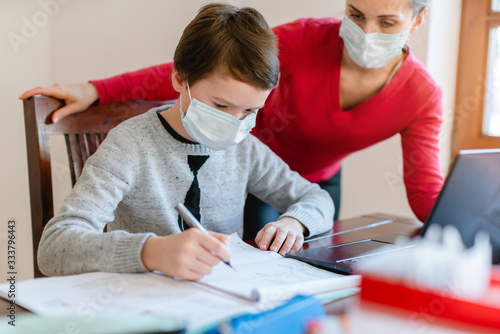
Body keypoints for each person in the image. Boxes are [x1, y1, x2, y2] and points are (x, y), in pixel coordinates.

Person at [21, 0, 443, 237]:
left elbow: (421, 188)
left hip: (282, 172)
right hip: (248, 166)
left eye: (387, 22)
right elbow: (208, 68)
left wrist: (464, 229)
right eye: (355, 14)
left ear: (416, 21)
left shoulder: (422, 95)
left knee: (283, 250)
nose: (366, 32)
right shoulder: (133, 144)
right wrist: (98, 89)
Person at [36, 3, 334, 279]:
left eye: (249, 111)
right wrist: (150, 252)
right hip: (140, 303)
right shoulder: (130, 145)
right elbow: (55, 246)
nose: (234, 122)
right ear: (180, 79)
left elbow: (317, 199)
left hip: (222, 298)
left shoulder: (244, 149)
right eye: (220, 106)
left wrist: (295, 222)